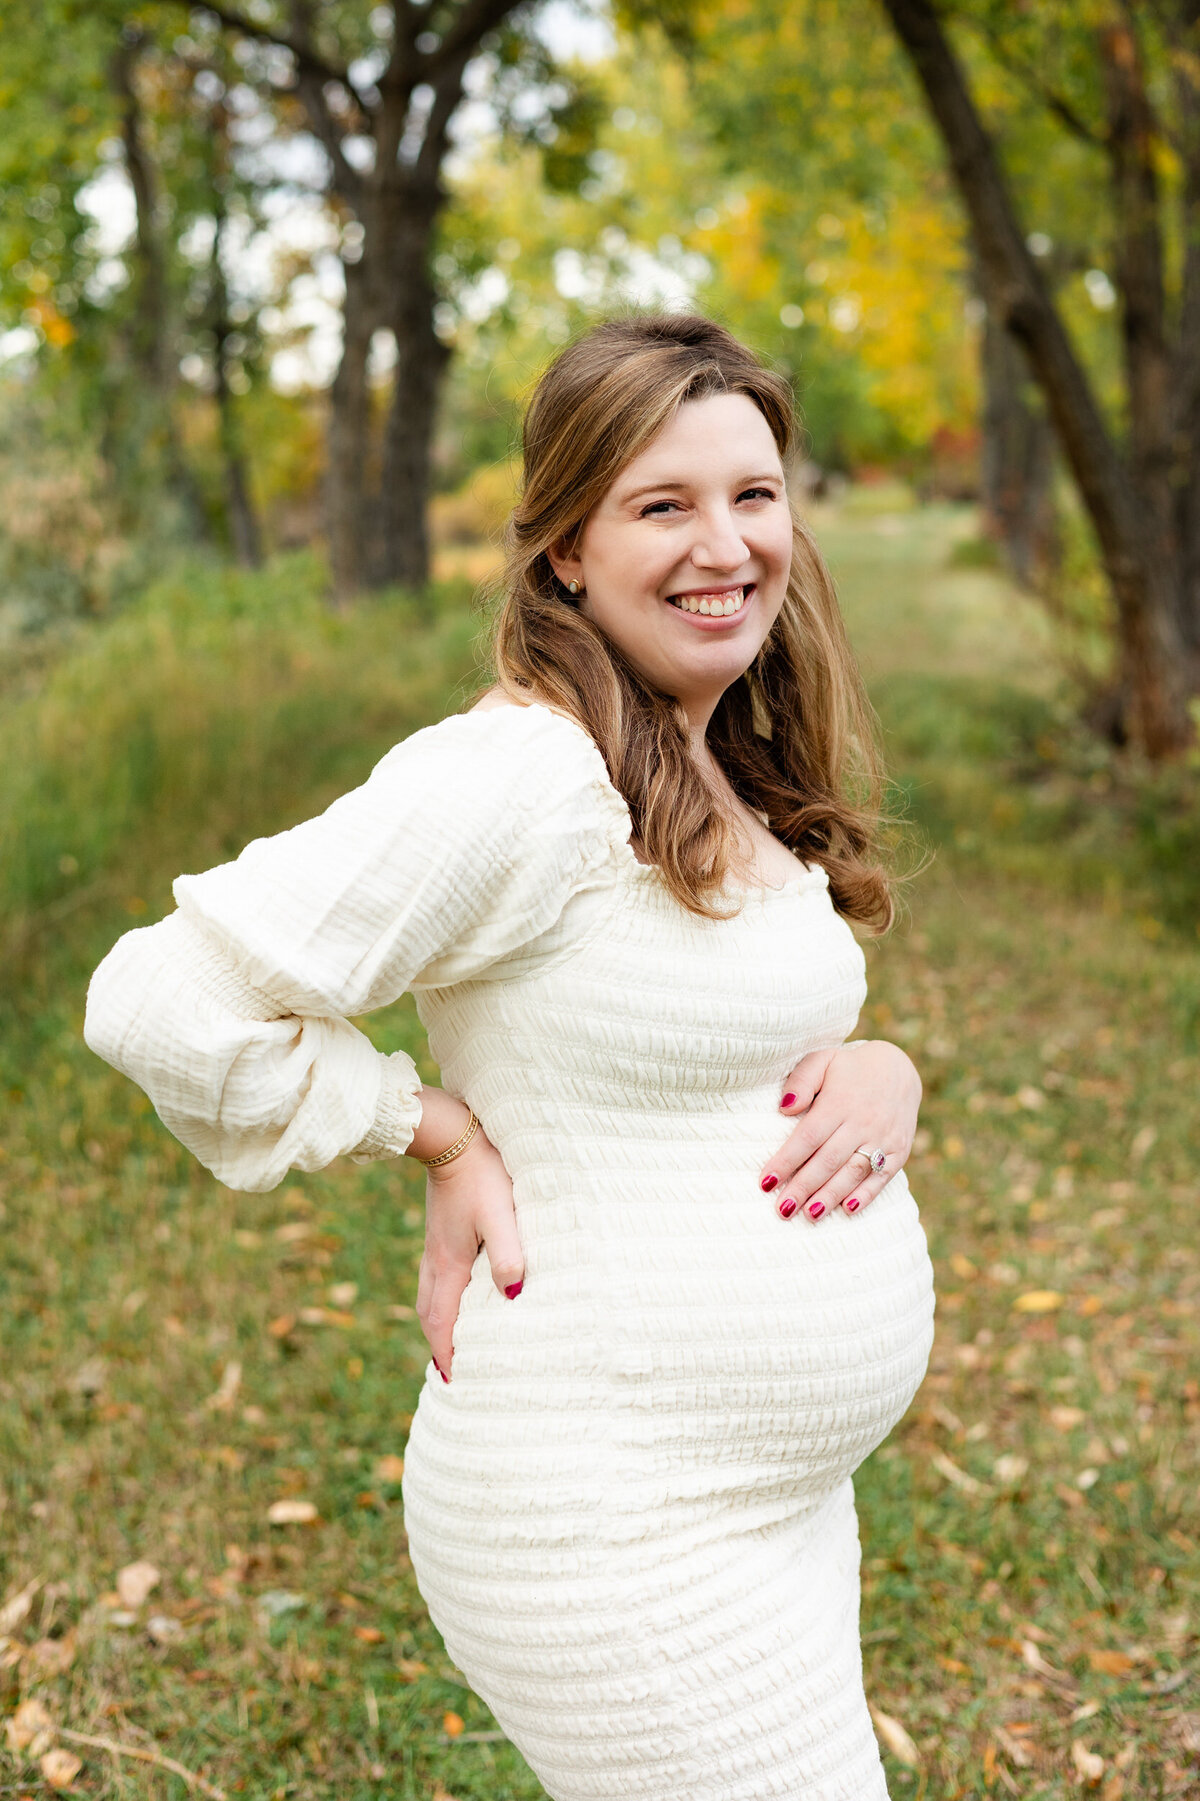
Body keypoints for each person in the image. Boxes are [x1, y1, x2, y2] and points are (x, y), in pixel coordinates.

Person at [85, 313, 935, 1800]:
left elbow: (689, 1017)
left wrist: (880, 1069)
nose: (724, 543)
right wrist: (427, 1126)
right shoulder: (528, 775)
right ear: (563, 551)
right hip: (610, 1512)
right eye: (660, 504)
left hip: (772, 1506)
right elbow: (159, 996)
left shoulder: (710, 745)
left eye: (753, 493)